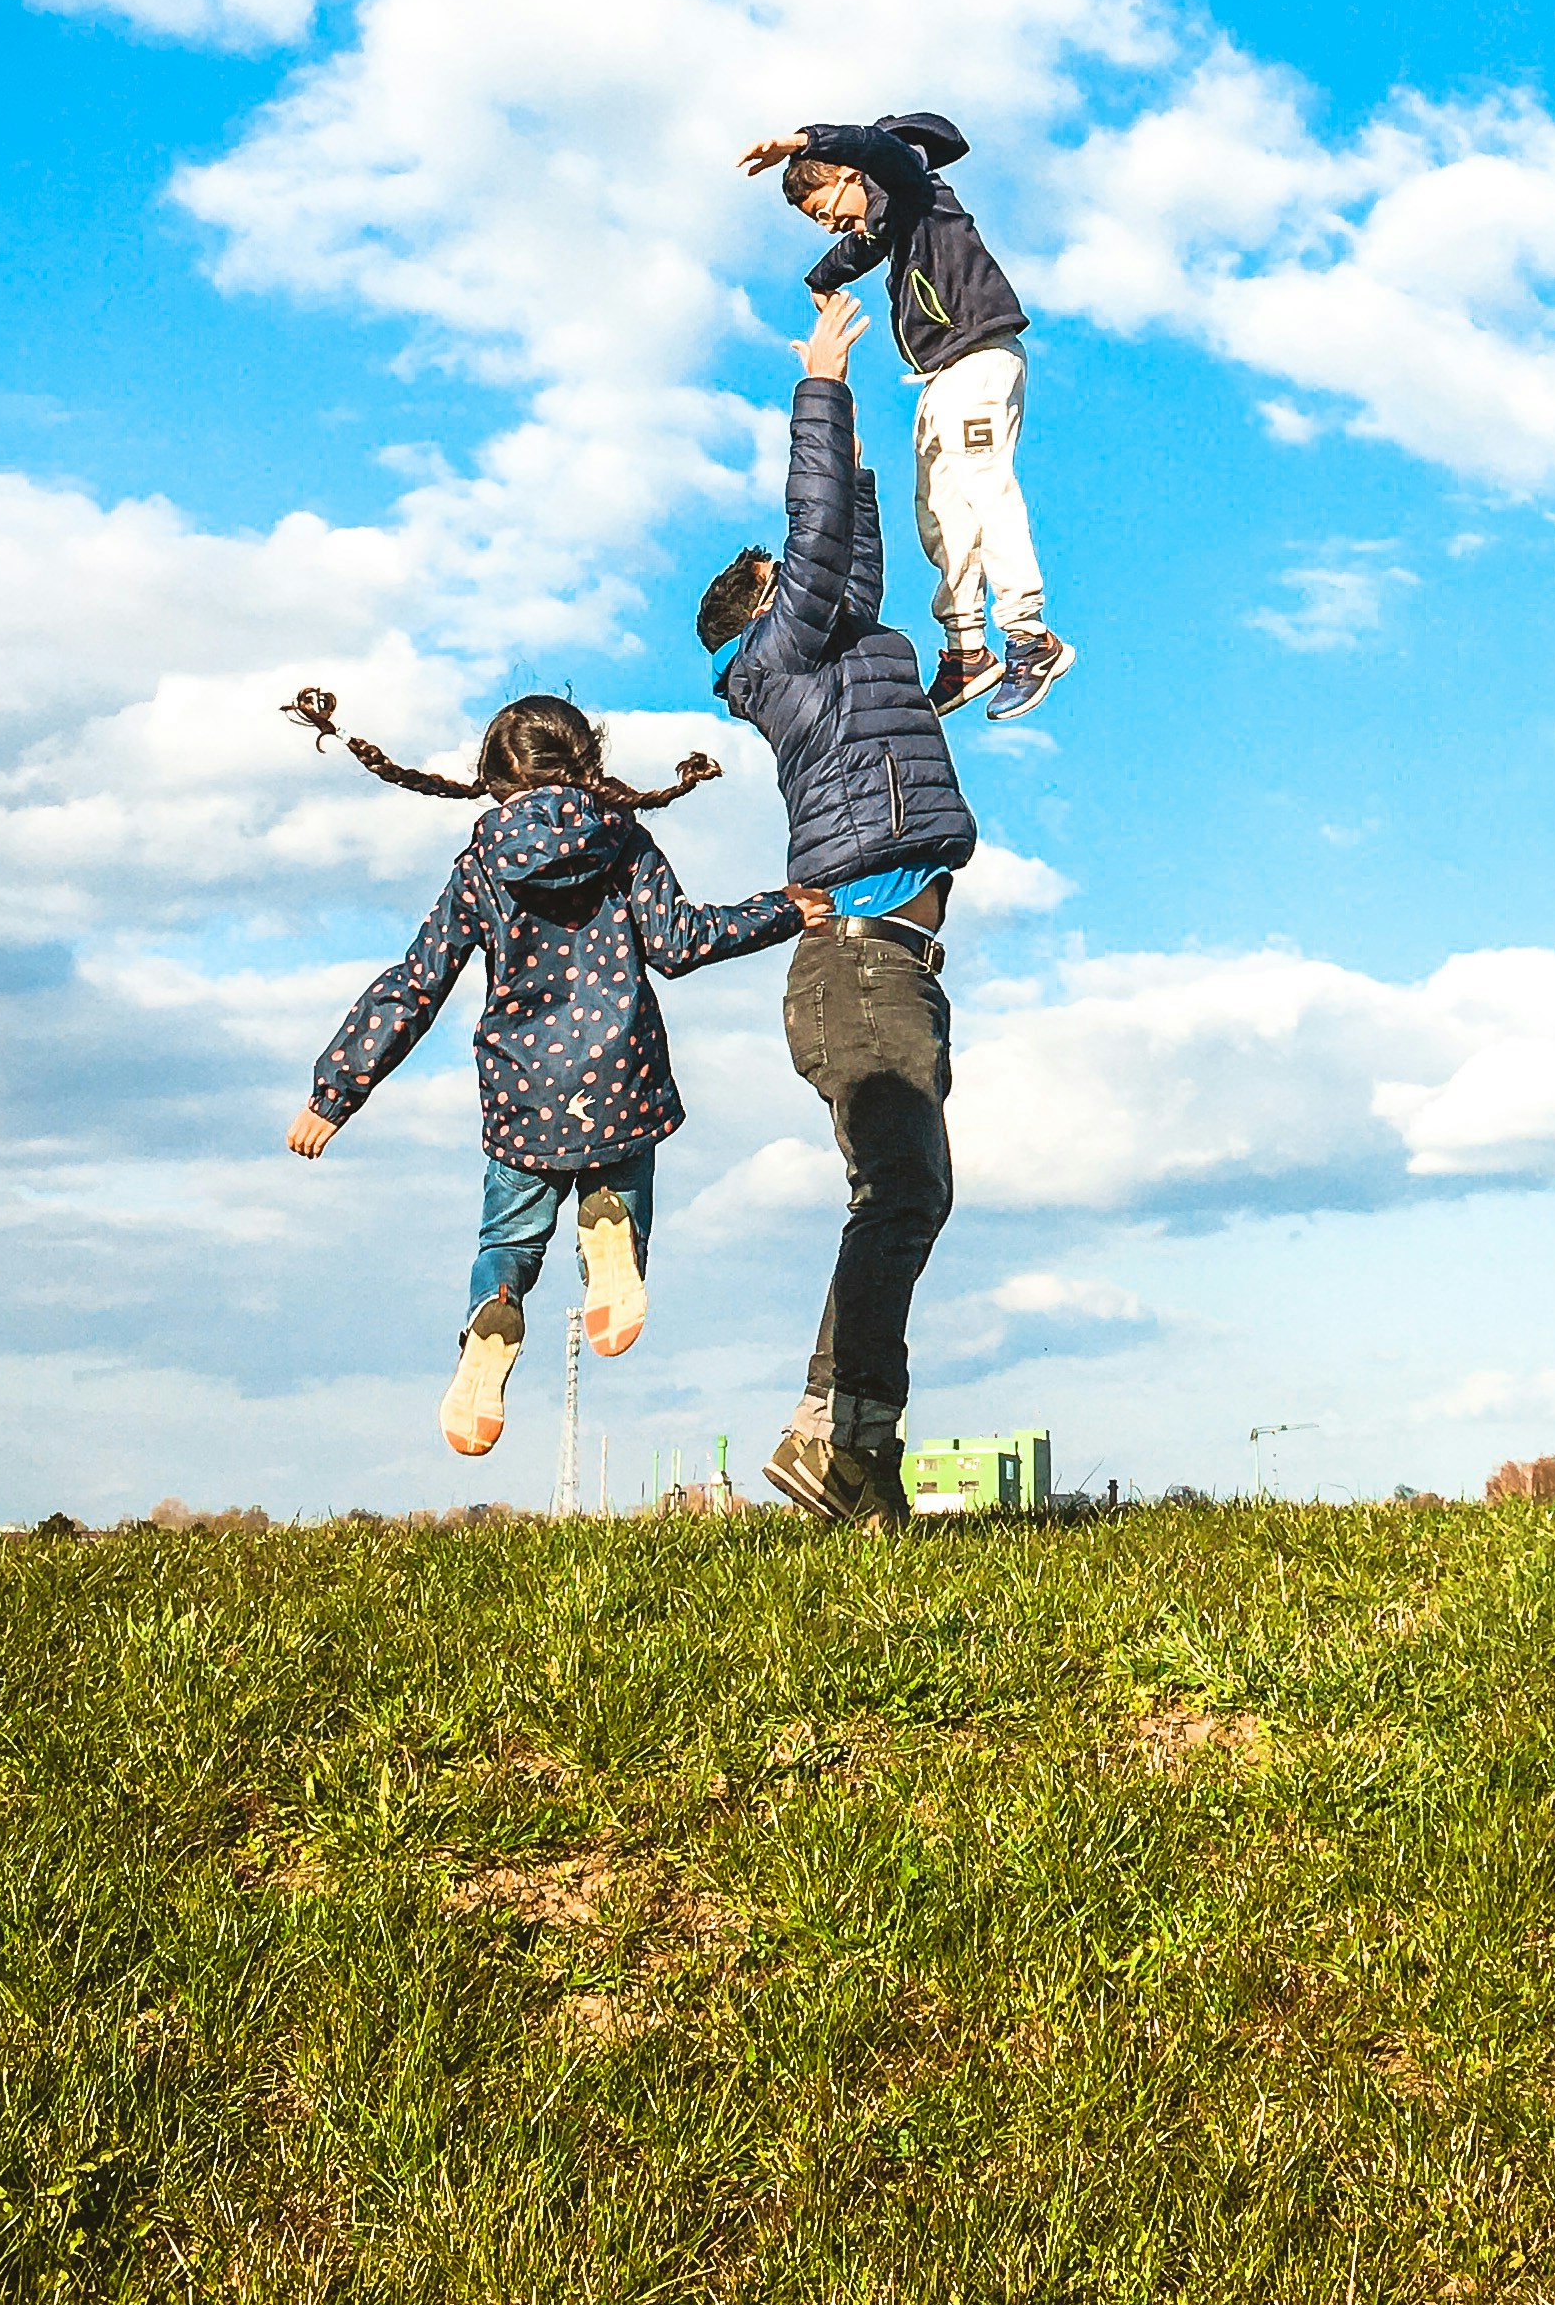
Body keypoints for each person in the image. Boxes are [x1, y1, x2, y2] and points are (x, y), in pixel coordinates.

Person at [280, 688, 817, 1460]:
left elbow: (416, 985)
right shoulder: (622, 842)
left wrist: (334, 1093)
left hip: (524, 1095)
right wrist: (785, 909)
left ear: (496, 782)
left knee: (506, 1241)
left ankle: (494, 1307)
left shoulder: (481, 868)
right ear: (587, 764)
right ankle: (611, 1236)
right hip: (620, 1079)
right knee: (618, 1202)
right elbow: (681, 943)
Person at [695, 286, 978, 1530]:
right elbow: (814, 544)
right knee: (903, 1194)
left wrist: (856, 458)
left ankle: (854, 1459)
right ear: (765, 611)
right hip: (858, 965)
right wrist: (821, 385)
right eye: (789, 578)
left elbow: (841, 551)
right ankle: (834, 1437)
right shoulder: (781, 658)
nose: (814, 578)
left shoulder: (823, 649)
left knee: (907, 1194)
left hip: (883, 964)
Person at [736, 109, 1075, 724]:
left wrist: (802, 141)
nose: (827, 224)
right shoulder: (888, 225)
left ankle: (1030, 636)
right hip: (941, 374)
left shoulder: (910, 184)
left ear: (848, 174)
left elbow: (879, 151)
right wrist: (821, 278)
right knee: (939, 510)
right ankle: (967, 649)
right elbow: (856, 249)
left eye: (823, 209)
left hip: (978, 357)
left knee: (984, 487)